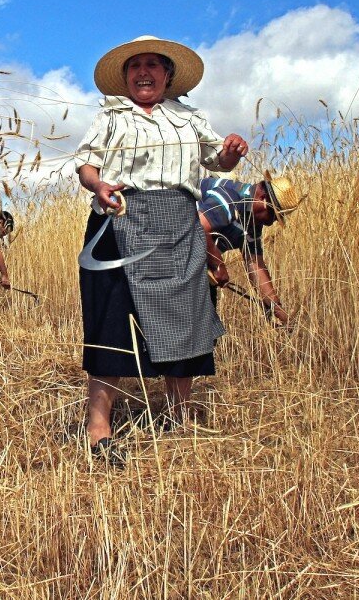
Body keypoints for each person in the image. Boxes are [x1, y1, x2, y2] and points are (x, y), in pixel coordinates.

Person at [76, 35, 249, 467]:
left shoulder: (189, 118)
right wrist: (99, 185)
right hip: (120, 218)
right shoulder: (111, 116)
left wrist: (230, 152)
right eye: (136, 66)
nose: (144, 72)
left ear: (168, 76)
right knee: (111, 321)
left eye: (153, 65)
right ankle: (99, 429)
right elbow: (86, 163)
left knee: (186, 316)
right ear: (126, 76)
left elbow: (219, 162)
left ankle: (177, 416)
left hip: (178, 224)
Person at [198, 174, 304, 326]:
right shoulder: (231, 197)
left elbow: (255, 265)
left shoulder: (252, 224)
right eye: (273, 216)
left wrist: (277, 308)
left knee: (207, 334)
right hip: (171, 257)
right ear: (262, 197)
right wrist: (218, 265)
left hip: (197, 267)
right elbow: (199, 228)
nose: (270, 223)